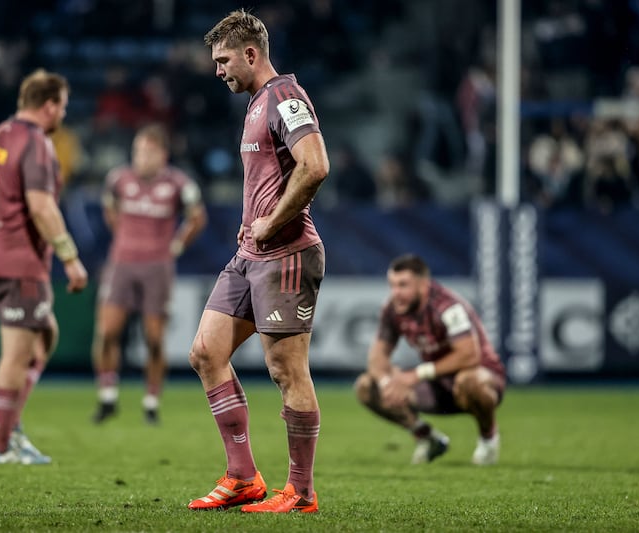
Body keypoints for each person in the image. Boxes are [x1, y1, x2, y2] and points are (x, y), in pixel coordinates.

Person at [187, 9, 329, 514]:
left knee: (287, 370)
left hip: (287, 254)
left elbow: (315, 165)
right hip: (249, 257)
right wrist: (254, 222)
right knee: (205, 352)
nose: (218, 70)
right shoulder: (254, 104)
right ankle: (244, 476)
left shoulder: (285, 97)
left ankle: (301, 493)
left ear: (251, 54)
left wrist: (270, 222)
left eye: (223, 60)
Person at [0, 69, 88, 464]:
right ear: (49, 106)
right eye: (63, 107)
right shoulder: (36, 144)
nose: (62, 115)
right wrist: (70, 258)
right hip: (19, 260)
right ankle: (1, 444)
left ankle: (9, 427)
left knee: (45, 333)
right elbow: (41, 206)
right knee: (17, 352)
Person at [91, 123, 207, 425]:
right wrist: (124, 238)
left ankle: (152, 401)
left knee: (154, 338)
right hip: (122, 263)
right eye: (138, 151)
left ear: (162, 155)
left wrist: (177, 245)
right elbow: (108, 208)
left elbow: (197, 218)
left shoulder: (179, 184)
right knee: (107, 332)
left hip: (157, 267)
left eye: (148, 152)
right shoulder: (118, 179)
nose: (141, 157)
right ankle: (107, 396)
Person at [354, 254, 506, 466]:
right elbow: (377, 356)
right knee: (366, 386)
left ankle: (488, 439)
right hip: (438, 385)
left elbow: (469, 355)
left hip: (480, 379)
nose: (396, 293)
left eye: (403, 285)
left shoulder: (447, 306)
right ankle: (427, 438)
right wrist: (387, 383)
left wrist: (415, 375)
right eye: (392, 285)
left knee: (470, 381)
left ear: (423, 285)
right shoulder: (393, 309)